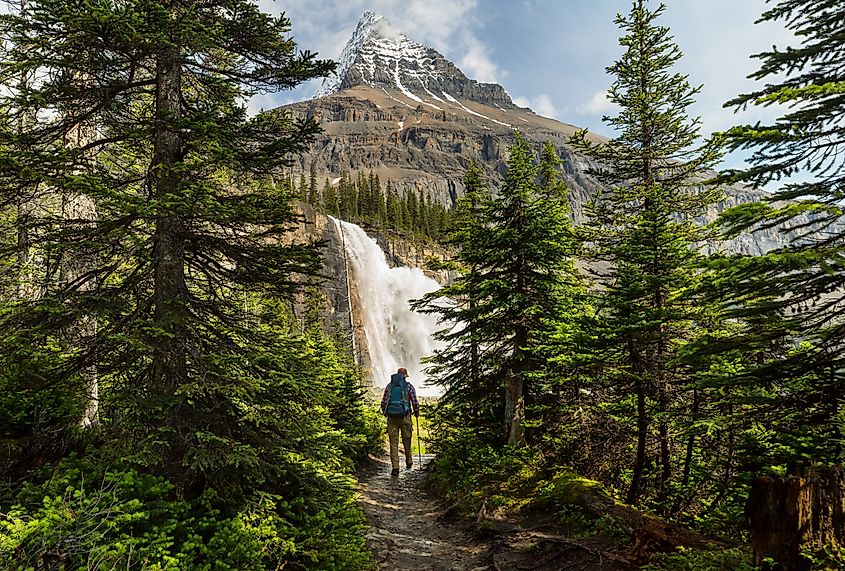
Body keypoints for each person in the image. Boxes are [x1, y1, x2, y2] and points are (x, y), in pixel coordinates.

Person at [380, 367, 419, 476]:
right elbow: (414, 401)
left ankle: (395, 468)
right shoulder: (409, 386)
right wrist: (416, 412)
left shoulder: (389, 386)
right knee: (407, 439)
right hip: (405, 417)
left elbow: (384, 401)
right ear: (405, 376)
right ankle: (409, 461)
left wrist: (385, 412)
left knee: (393, 443)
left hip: (391, 417)